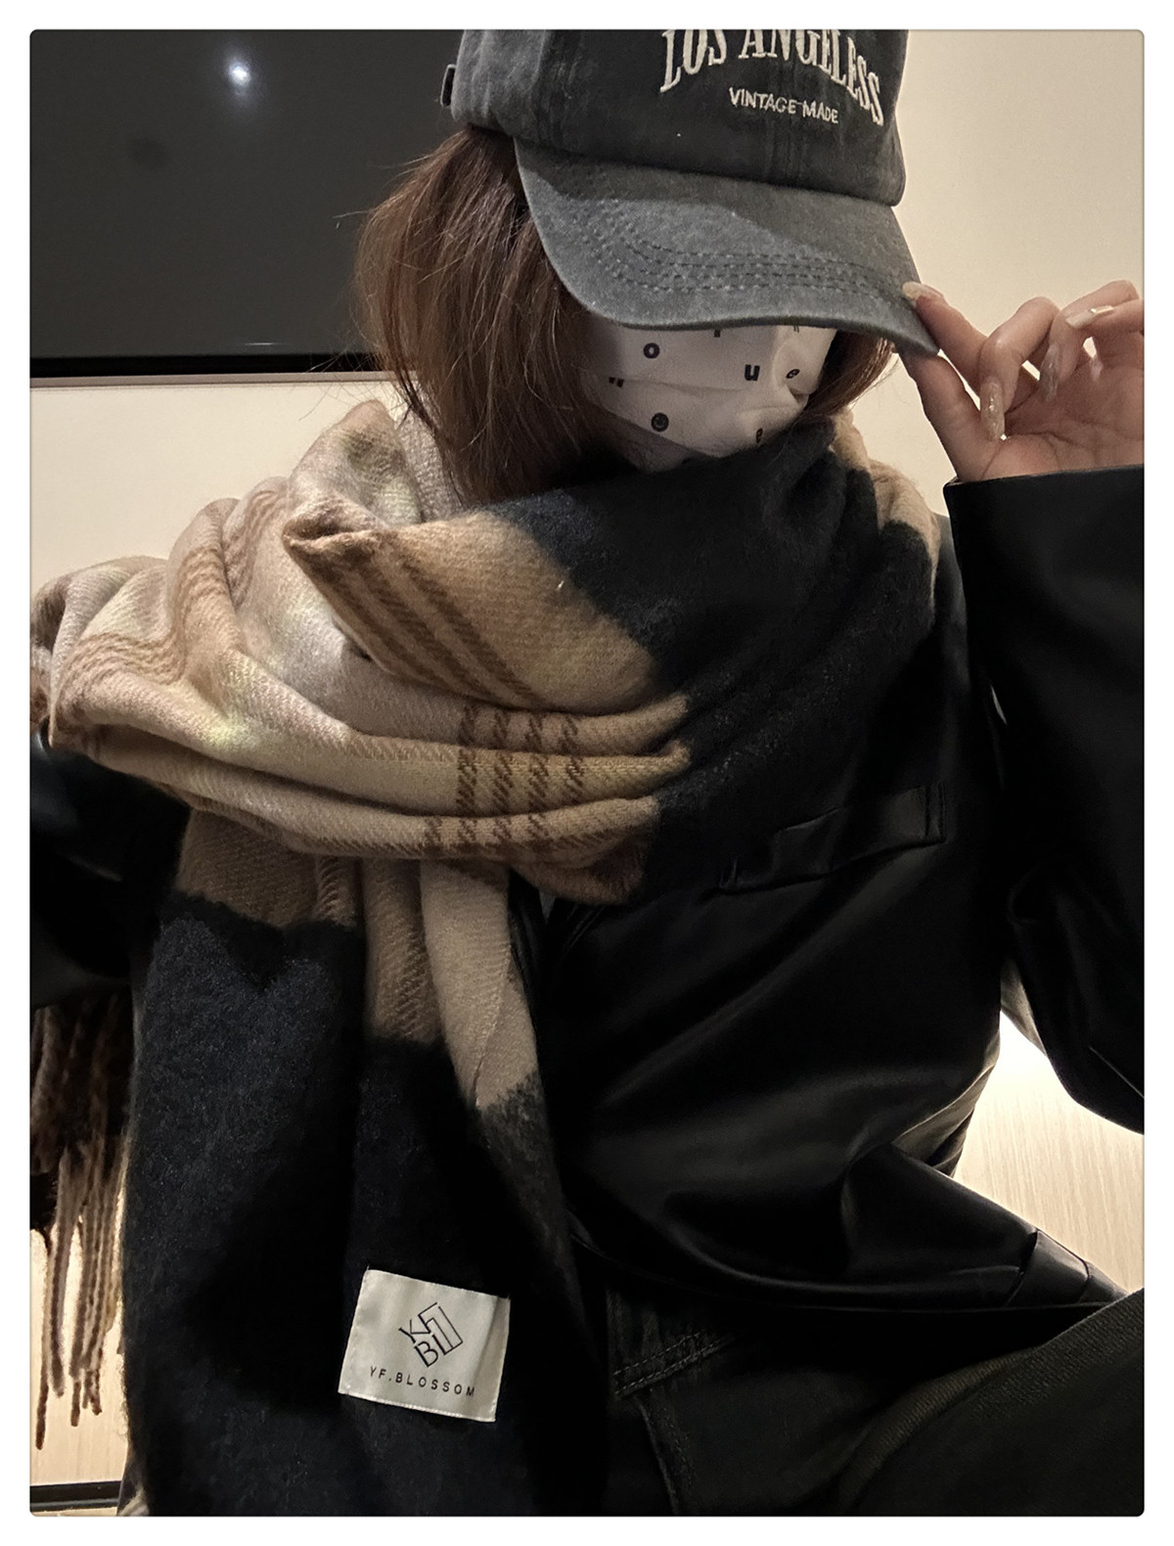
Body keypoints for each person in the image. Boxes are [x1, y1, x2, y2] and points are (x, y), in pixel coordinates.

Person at [31, 29, 1142, 1515]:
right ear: (489, 239)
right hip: (439, 1441)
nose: (749, 341)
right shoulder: (234, 665)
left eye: (797, 279)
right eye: (674, 278)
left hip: (893, 1404)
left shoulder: (909, 602)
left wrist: (1083, 555)